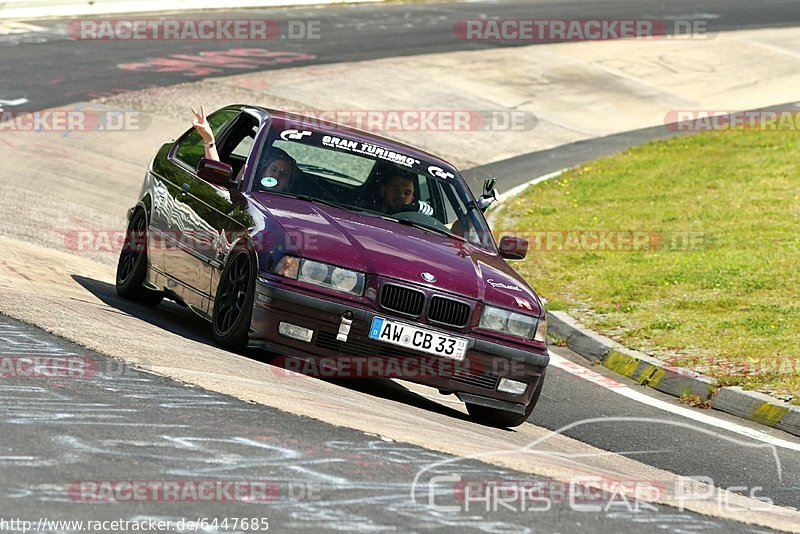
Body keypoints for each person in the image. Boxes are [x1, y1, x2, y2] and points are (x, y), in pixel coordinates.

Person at [190, 105, 296, 192]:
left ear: (288, 184)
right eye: (273, 169)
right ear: (263, 172)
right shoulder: (242, 195)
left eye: (284, 174)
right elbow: (215, 175)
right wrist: (209, 141)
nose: (277, 176)